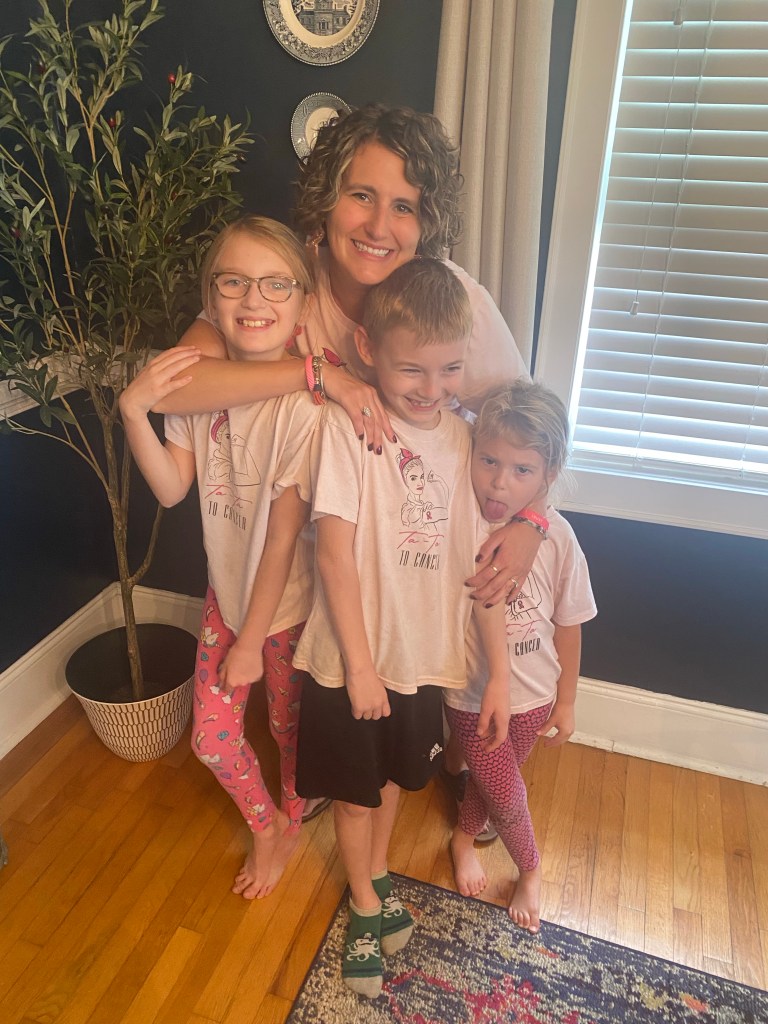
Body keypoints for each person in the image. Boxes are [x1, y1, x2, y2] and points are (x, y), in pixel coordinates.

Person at [154, 104, 542, 607]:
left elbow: (533, 428)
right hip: (295, 577)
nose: (378, 227)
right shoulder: (283, 278)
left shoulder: (453, 303)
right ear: (327, 198)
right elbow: (175, 387)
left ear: (426, 222)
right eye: (362, 196)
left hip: (413, 572)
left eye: (403, 207)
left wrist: (533, 521)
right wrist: (317, 374)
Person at [291, 259, 511, 998]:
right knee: (355, 794)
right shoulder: (345, 426)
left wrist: (499, 673)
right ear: (368, 347)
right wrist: (360, 668)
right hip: (350, 661)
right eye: (411, 368)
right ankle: (361, 902)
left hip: (422, 661)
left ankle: (378, 874)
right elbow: (334, 554)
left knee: (389, 781)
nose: (431, 387)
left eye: (449, 369)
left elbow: (489, 553)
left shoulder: (468, 443)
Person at [119, 216, 328, 900]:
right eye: (234, 282)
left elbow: (281, 541)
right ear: (212, 296)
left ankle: (291, 816)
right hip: (227, 596)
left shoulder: (304, 411)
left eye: (275, 284)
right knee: (211, 738)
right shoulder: (201, 390)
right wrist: (133, 413)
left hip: (287, 610)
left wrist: (250, 641)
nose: (254, 299)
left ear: (302, 303)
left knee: (288, 728)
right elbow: (171, 488)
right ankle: (267, 827)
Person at [443, 380, 597, 934]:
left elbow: (569, 623)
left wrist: (567, 701)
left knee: (491, 781)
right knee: (506, 792)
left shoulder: (559, 537)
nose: (500, 482)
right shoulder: (462, 521)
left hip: (535, 697)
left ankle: (463, 835)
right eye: (489, 461)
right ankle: (530, 868)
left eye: (522, 469)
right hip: (472, 693)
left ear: (548, 473)